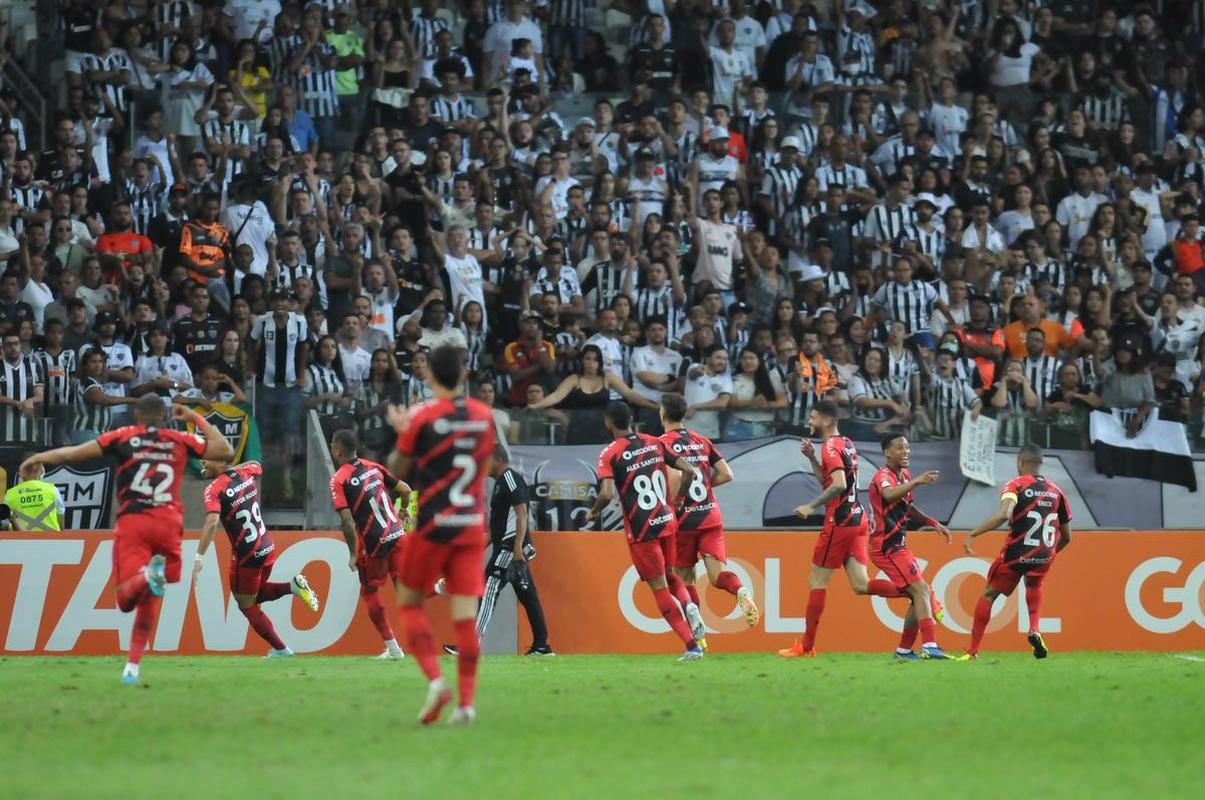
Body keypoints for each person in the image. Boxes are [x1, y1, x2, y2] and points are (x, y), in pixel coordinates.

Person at [20, 396, 233, 684]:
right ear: (163, 416)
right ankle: (132, 665)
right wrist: (195, 418)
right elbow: (225, 450)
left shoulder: (123, 436)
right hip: (168, 523)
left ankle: (145, 577)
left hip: (134, 521)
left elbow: (74, 454)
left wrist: (39, 457)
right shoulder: (178, 439)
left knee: (125, 600)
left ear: (137, 414)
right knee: (155, 592)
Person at [387, 345, 496, 726]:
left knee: (410, 601)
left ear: (429, 376)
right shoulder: (485, 417)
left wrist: (404, 432)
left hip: (434, 525)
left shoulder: (423, 416)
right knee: (465, 617)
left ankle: (435, 680)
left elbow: (397, 469)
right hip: (469, 526)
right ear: (464, 376)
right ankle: (466, 703)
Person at [779, 400, 909, 658]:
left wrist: (810, 505)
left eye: (813, 417)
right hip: (857, 518)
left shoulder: (829, 447)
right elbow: (831, 479)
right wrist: (812, 459)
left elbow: (837, 485)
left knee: (816, 580)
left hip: (839, 521)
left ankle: (806, 647)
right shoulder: (846, 443)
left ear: (826, 421)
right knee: (861, 585)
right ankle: (915, 592)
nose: (810, 422)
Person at [588, 400, 705, 661]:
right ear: (631, 419)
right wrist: (680, 499)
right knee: (672, 575)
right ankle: (689, 605)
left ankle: (691, 646)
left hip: (642, 531)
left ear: (608, 423)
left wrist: (594, 510)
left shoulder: (610, 453)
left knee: (659, 589)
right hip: (667, 520)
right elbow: (690, 469)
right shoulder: (655, 441)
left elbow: (606, 493)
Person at [195, 458, 320, 657]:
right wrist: (227, 469)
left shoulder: (213, 489)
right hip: (267, 547)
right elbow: (256, 464)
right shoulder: (247, 472)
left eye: (206, 459)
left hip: (246, 556)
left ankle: (282, 650)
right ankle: (292, 587)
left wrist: (199, 557)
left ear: (220, 460)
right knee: (256, 594)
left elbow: (211, 522)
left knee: (247, 605)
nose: (202, 464)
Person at [659, 393, 759, 637]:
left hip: (683, 520)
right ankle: (740, 591)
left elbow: (673, 478)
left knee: (685, 578)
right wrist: (704, 486)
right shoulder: (702, 440)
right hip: (710, 516)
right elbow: (727, 474)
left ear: (662, 413)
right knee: (717, 576)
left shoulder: (661, 443)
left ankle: (698, 635)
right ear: (684, 414)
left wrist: (677, 501)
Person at [964, 444, 1073, 660]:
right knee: (1035, 584)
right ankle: (1034, 629)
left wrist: (974, 533)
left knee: (989, 594)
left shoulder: (1016, 485)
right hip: (1044, 554)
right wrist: (1049, 553)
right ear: (1041, 463)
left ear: (1020, 462)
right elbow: (1067, 536)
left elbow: (1004, 514)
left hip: (1016, 554)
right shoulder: (1056, 491)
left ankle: (973, 651)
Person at [446, 446, 552, 657]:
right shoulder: (500, 484)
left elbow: (522, 514)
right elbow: (496, 526)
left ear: (496, 459)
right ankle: (542, 646)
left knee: (487, 592)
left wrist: (518, 548)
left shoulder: (510, 479)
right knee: (529, 597)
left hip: (509, 548)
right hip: (508, 546)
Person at [868, 435, 962, 661]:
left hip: (898, 545)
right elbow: (889, 495)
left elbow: (907, 508)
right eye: (899, 447)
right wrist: (917, 482)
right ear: (887, 453)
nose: (906, 451)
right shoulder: (884, 476)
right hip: (885, 547)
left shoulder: (905, 476)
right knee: (921, 590)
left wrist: (933, 523)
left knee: (917, 594)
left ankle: (904, 651)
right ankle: (930, 645)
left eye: (908, 447)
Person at [329, 428, 411, 661]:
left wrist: (352, 554)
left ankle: (394, 649)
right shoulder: (374, 466)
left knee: (370, 591)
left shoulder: (339, 479)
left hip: (373, 542)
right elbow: (405, 489)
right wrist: (403, 510)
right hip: (397, 533)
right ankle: (438, 588)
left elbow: (346, 521)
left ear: (337, 449)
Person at [3, 456, 65, 532]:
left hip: (22, 541)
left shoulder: (9, 495)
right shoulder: (52, 490)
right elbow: (60, 516)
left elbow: (5, 525)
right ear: (41, 471)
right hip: (52, 540)